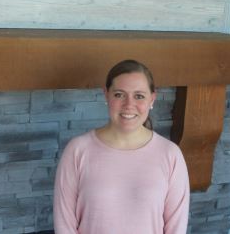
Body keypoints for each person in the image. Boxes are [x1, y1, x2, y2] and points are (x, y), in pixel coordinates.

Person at [53, 59, 190, 234]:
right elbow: (64, 225)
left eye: (139, 96)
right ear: (106, 95)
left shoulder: (170, 154)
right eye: (119, 94)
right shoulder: (77, 150)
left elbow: (176, 228)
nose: (129, 105)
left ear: (152, 99)